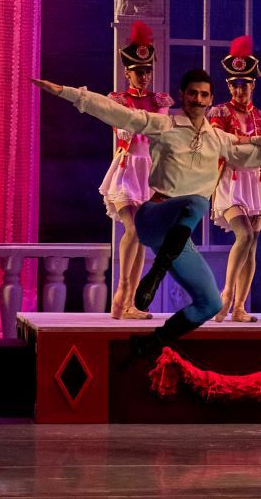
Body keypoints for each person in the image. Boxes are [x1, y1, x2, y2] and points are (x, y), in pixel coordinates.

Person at [33, 69, 261, 360]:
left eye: (203, 94)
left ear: (210, 98)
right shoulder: (164, 123)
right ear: (183, 95)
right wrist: (68, 92)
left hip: (181, 220)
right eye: (192, 93)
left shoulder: (217, 133)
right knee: (192, 205)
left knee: (210, 302)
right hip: (151, 205)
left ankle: (153, 341)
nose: (198, 99)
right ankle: (147, 279)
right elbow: (117, 114)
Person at [97, 20, 172, 321]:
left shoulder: (159, 101)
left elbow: (160, 132)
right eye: (138, 71)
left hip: (148, 172)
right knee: (134, 230)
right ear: (127, 72)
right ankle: (122, 293)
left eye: (147, 70)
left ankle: (128, 302)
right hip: (127, 168)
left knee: (141, 236)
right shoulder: (117, 100)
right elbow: (121, 126)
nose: (144, 76)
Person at [207, 36, 261, 323]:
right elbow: (221, 143)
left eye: (244, 84)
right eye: (234, 84)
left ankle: (240, 307)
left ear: (252, 85)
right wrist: (250, 143)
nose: (239, 89)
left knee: (252, 245)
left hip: (255, 182)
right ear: (228, 85)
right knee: (244, 236)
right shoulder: (219, 112)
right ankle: (225, 295)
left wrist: (251, 145)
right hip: (230, 181)